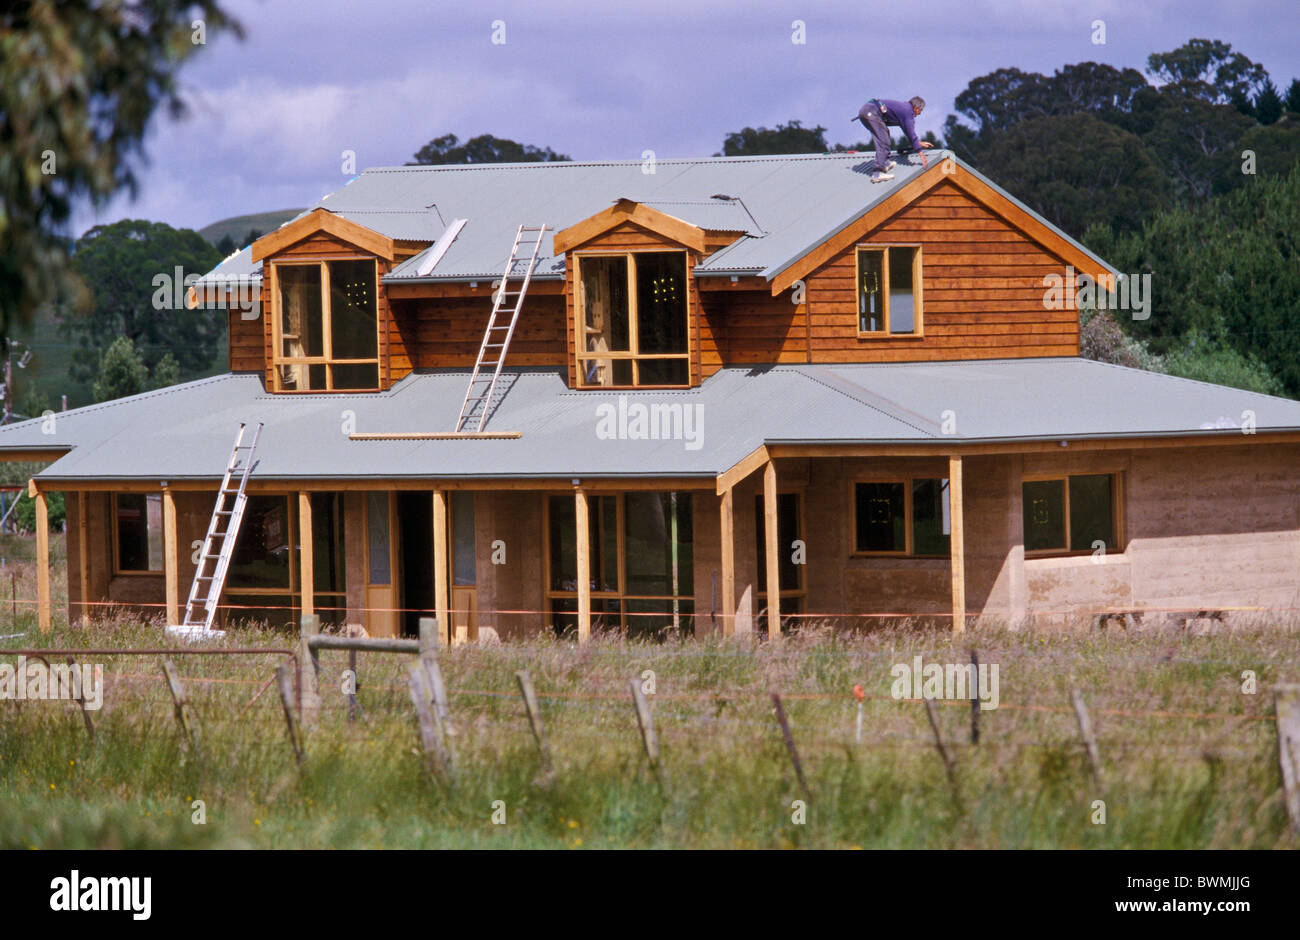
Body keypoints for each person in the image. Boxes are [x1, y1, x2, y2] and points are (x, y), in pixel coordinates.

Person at [855, 96, 933, 182]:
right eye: (920, 110)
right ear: (916, 107)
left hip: (867, 110)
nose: (919, 113)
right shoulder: (908, 112)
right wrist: (921, 153)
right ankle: (877, 173)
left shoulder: (904, 109)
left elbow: (907, 130)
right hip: (871, 112)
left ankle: (885, 162)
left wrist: (918, 143)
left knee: (884, 133)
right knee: (883, 141)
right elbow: (910, 132)